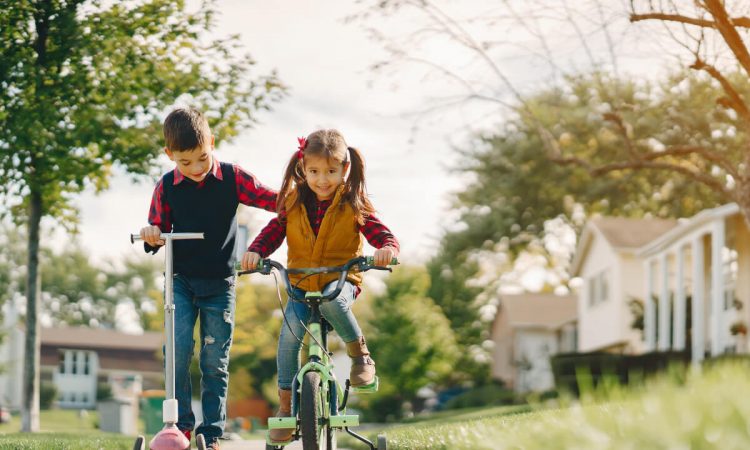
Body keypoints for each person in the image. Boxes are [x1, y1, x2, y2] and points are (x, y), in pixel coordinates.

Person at [244, 129, 399, 442]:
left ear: (344, 169)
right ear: (303, 168)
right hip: (300, 284)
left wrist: (387, 250)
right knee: (288, 337)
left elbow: (382, 235)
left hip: (341, 281)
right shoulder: (292, 202)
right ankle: (286, 408)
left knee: (332, 301)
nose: (323, 180)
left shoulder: (354, 203)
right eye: (314, 172)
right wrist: (256, 252)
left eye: (331, 171)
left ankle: (360, 357)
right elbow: (274, 232)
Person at [140, 107, 277, 450]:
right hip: (181, 281)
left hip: (220, 283)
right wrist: (151, 233)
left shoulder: (233, 177)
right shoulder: (166, 187)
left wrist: (304, 198)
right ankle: (180, 428)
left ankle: (212, 433)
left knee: (215, 360)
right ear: (169, 155)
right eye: (186, 162)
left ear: (212, 143)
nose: (197, 169)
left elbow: (272, 199)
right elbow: (155, 228)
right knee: (178, 351)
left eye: (202, 158)